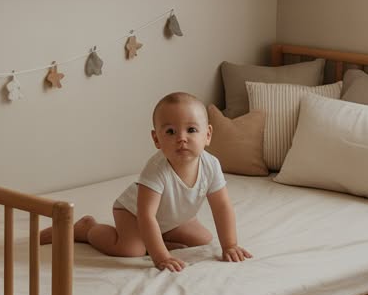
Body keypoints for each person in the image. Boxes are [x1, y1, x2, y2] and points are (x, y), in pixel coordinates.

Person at [40, 91, 251, 272]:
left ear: (208, 135)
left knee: (202, 238)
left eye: (192, 130)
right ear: (156, 139)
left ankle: (155, 240)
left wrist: (229, 244)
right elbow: (146, 215)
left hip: (171, 217)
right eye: (170, 131)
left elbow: (222, 206)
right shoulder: (157, 169)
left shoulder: (211, 165)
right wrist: (161, 256)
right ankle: (86, 229)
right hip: (133, 213)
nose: (181, 138)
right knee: (130, 250)